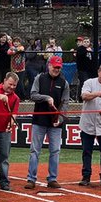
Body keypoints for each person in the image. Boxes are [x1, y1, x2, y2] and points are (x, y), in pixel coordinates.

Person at [25, 56, 70, 190]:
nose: (56, 69)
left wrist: (60, 119)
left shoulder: (64, 83)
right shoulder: (40, 78)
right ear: (49, 65)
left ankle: (52, 178)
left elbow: (65, 103)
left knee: (55, 151)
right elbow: (33, 95)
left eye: (58, 67)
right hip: (39, 120)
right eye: (54, 66)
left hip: (55, 123)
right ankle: (31, 178)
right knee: (35, 150)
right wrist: (46, 98)